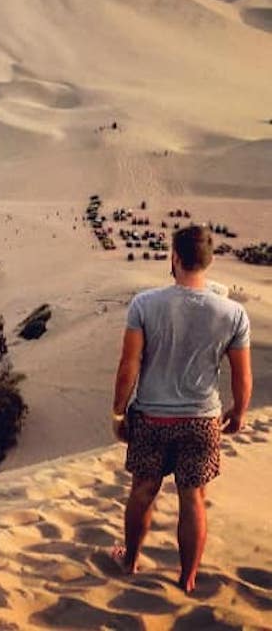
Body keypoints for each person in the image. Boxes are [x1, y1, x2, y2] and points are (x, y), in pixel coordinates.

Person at [110, 224, 252, 593]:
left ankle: (130, 560)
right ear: (210, 261)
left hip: (151, 418)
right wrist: (238, 412)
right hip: (202, 421)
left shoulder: (144, 304)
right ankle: (187, 577)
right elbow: (242, 375)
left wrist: (118, 412)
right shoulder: (233, 314)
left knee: (143, 489)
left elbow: (129, 366)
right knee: (193, 496)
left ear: (174, 258)